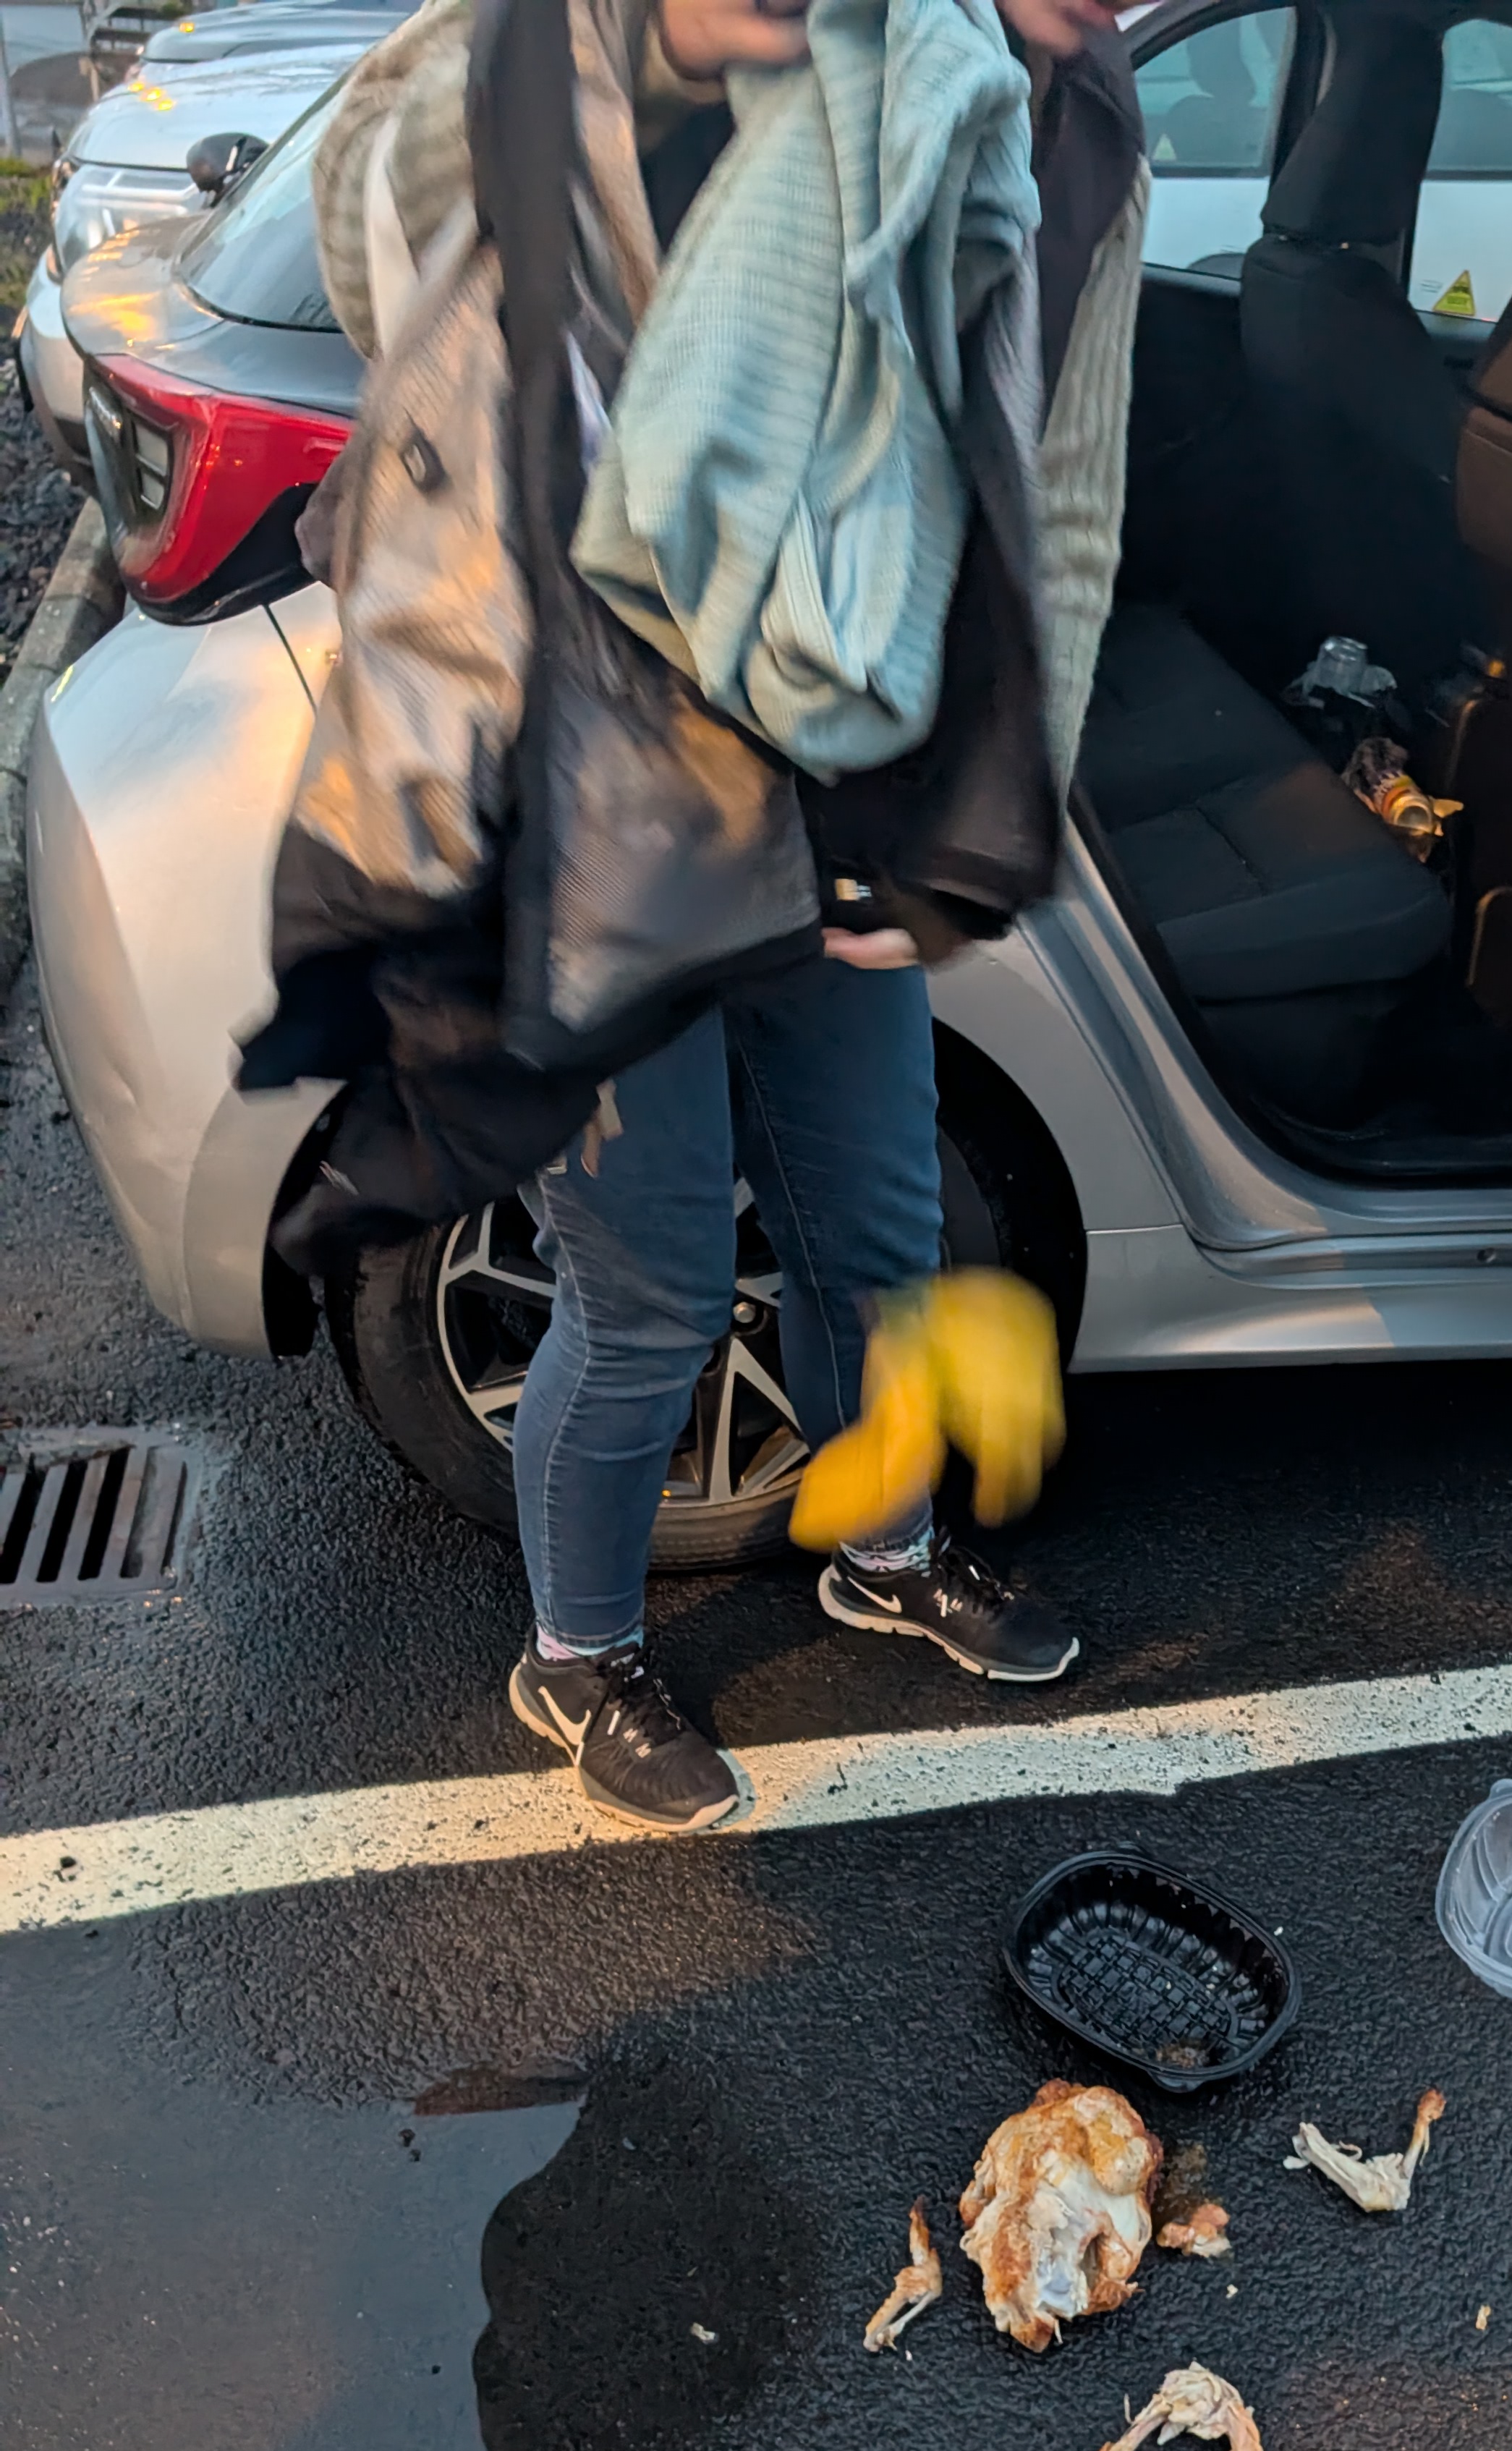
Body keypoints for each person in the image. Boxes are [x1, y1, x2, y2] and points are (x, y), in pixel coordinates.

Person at [252, 0, 1146, 1836]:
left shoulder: (1085, 121)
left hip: (835, 790)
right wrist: (645, 40)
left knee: (883, 1234)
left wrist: (987, 815)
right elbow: (372, 211)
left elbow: (1063, 485)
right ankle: (576, 1654)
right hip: (594, 807)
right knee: (650, 1287)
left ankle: (884, 1551)